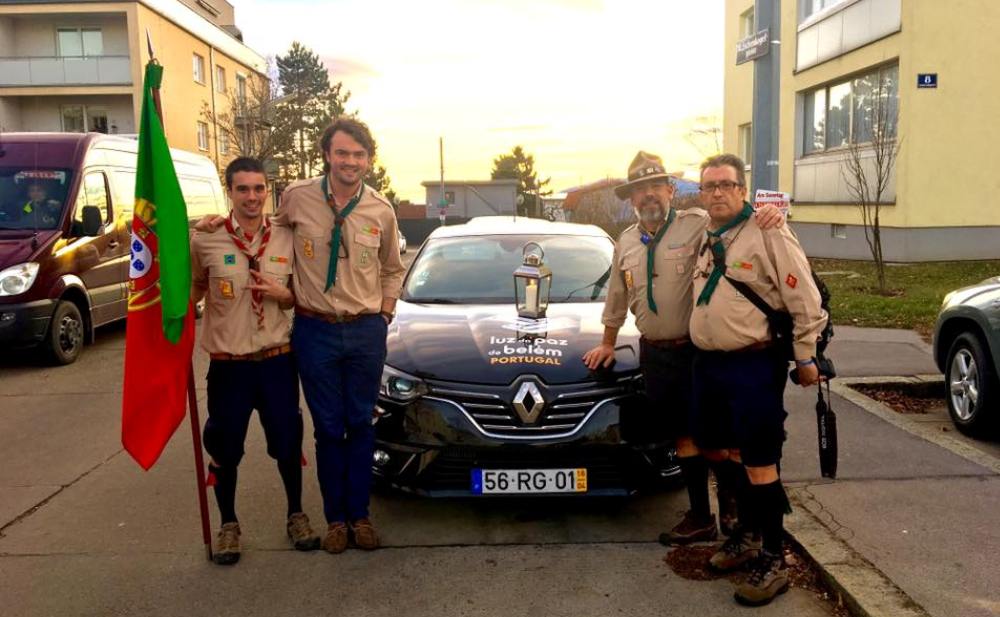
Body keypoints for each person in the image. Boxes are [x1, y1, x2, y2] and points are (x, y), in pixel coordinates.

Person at [582, 151, 783, 545]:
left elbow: (735, 219)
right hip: (655, 353)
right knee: (682, 438)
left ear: (671, 190)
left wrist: (769, 214)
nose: (648, 196)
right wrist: (608, 342)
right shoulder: (625, 242)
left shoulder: (697, 226)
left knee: (717, 440)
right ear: (631, 199)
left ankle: (734, 514)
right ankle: (699, 516)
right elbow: (617, 297)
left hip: (696, 353)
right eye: (639, 191)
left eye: (655, 186)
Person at [689, 153, 825, 606]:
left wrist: (806, 355)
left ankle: (774, 558)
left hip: (752, 365)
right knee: (721, 450)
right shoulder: (709, 235)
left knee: (759, 460)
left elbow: (804, 297)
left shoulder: (768, 229)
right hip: (710, 365)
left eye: (727, 185)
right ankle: (746, 536)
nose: (718, 193)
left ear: (743, 190)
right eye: (709, 186)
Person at [273, 118, 404, 553]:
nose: (351, 161)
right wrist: (219, 225)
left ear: (368, 160)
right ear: (327, 154)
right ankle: (335, 520)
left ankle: (360, 515)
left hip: (366, 330)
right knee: (328, 428)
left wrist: (384, 314)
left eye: (359, 155)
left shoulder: (380, 210)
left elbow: (391, 269)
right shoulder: (296, 198)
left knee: (360, 424)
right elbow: (266, 236)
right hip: (315, 330)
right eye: (343, 153)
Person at [191, 157, 320, 565]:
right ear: (229, 192)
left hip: (277, 361)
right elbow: (191, 288)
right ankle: (228, 523)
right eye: (242, 189)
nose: (252, 197)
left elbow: (308, 291)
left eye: (259, 188)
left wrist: (286, 297)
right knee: (224, 447)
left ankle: (296, 514)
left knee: (287, 441)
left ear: (269, 191)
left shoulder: (287, 236)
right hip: (229, 365)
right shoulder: (205, 239)